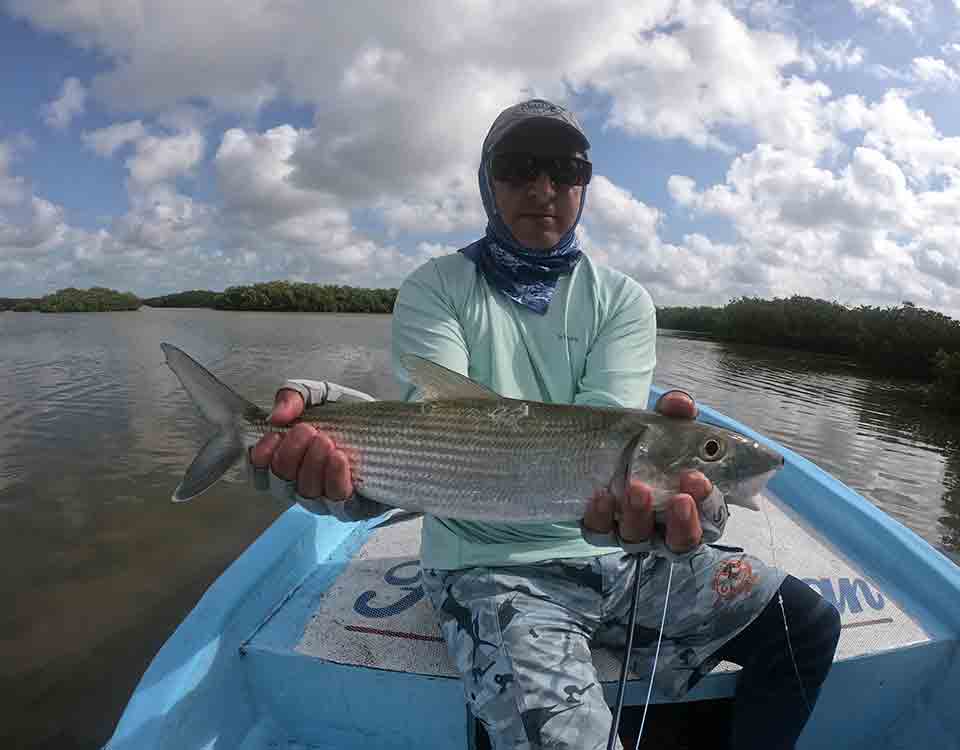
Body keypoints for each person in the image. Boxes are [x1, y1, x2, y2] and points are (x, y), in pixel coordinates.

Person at [251, 99, 841, 750]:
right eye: (517, 167)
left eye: (566, 169)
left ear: (585, 185)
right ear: (487, 180)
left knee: (806, 624)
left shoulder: (621, 299)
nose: (543, 188)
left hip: (620, 562)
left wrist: (695, 496)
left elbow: (603, 437)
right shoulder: (437, 286)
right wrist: (341, 434)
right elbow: (436, 430)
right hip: (486, 566)